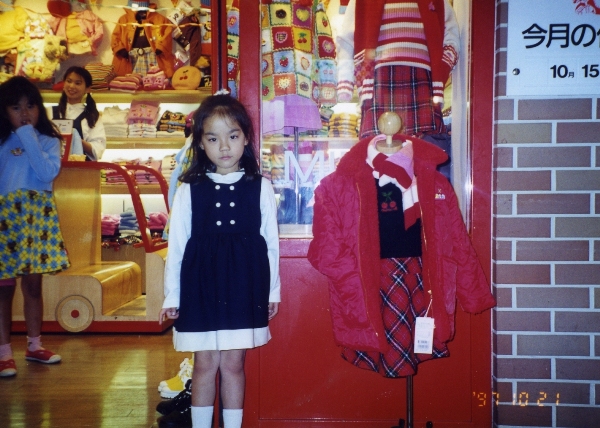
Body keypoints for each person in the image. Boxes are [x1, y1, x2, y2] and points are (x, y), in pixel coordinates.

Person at [159, 93, 281, 428]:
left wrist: (272, 291)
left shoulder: (260, 187)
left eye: (233, 136)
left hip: (243, 286)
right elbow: (177, 245)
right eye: (213, 138)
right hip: (200, 287)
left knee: (233, 365)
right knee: (203, 364)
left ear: (246, 138)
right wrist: (172, 296)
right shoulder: (189, 188)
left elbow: (271, 244)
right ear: (200, 143)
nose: (224, 146)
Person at [0, 76, 70, 378]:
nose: (25, 113)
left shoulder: (49, 141)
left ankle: (34, 345)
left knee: (32, 286)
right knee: (3, 290)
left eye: (30, 106)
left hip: (35, 219)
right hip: (5, 221)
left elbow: (45, 174)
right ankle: (4, 353)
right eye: (16, 108)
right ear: (4, 111)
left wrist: (27, 134)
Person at [53, 66, 106, 161]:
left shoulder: (92, 116)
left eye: (78, 83)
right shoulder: (50, 112)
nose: (72, 86)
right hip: (54, 167)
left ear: (87, 89)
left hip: (82, 168)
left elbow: (98, 148)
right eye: (69, 81)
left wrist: (74, 139)